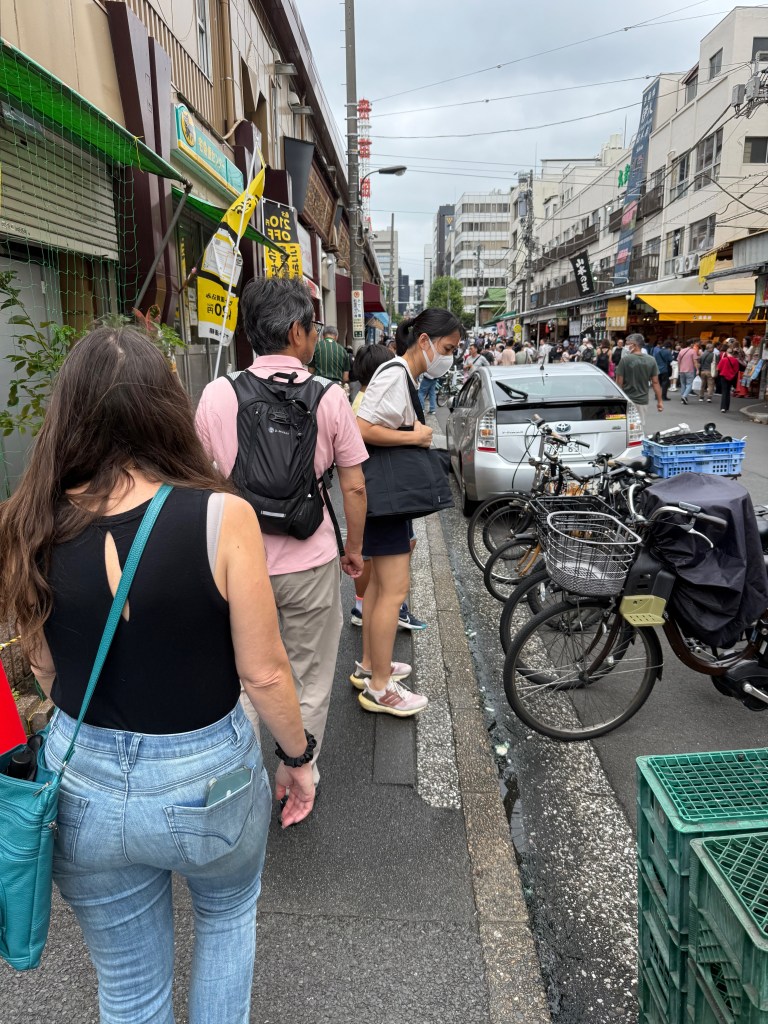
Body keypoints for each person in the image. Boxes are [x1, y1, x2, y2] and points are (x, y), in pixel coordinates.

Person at [0, 326, 315, 1023]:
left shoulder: (28, 521)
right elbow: (263, 672)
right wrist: (298, 757)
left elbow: (43, 668)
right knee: (228, 918)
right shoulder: (221, 515)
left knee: (131, 991)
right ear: (165, 407)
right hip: (208, 776)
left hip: (83, 781)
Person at [196, 277, 367, 786]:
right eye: (312, 329)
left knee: (246, 677)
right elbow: (354, 487)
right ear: (296, 331)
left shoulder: (216, 395)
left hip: (234, 564)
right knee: (310, 675)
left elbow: (197, 485)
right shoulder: (330, 397)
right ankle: (299, 772)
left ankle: (240, 780)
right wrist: (353, 550)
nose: (316, 339)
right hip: (310, 560)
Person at [355, 308, 462, 715]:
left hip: (380, 498)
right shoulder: (395, 373)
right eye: (447, 348)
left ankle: (370, 666)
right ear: (425, 342)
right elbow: (362, 426)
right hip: (385, 499)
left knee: (380, 590)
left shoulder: (401, 375)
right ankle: (381, 687)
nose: (449, 356)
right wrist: (415, 436)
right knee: (393, 591)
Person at [615, 332, 663, 431]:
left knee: (626, 426)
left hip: (626, 399)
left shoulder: (625, 360)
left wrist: (617, 400)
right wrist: (660, 401)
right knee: (638, 427)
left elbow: (619, 382)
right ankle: (637, 444)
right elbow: (655, 382)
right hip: (642, 400)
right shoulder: (651, 360)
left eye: (627, 344)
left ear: (634, 345)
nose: (626, 346)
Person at [309, 324, 350, 393]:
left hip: (319, 386)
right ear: (336, 337)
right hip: (336, 386)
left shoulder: (316, 347)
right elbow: (345, 378)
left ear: (323, 336)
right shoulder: (343, 350)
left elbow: (310, 372)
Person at [717, 340, 741, 413]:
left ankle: (723, 407)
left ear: (727, 353)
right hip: (731, 377)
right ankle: (727, 407)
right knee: (728, 391)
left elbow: (718, 368)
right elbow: (737, 370)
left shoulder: (724, 360)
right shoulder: (735, 360)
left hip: (723, 376)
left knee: (724, 392)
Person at [676, 340, 699, 405]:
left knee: (683, 384)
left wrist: (679, 369)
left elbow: (678, 361)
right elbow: (695, 361)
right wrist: (697, 369)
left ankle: (682, 398)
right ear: (691, 344)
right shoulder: (693, 351)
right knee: (690, 384)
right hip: (690, 370)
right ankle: (684, 396)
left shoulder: (681, 351)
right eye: (693, 344)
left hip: (681, 370)